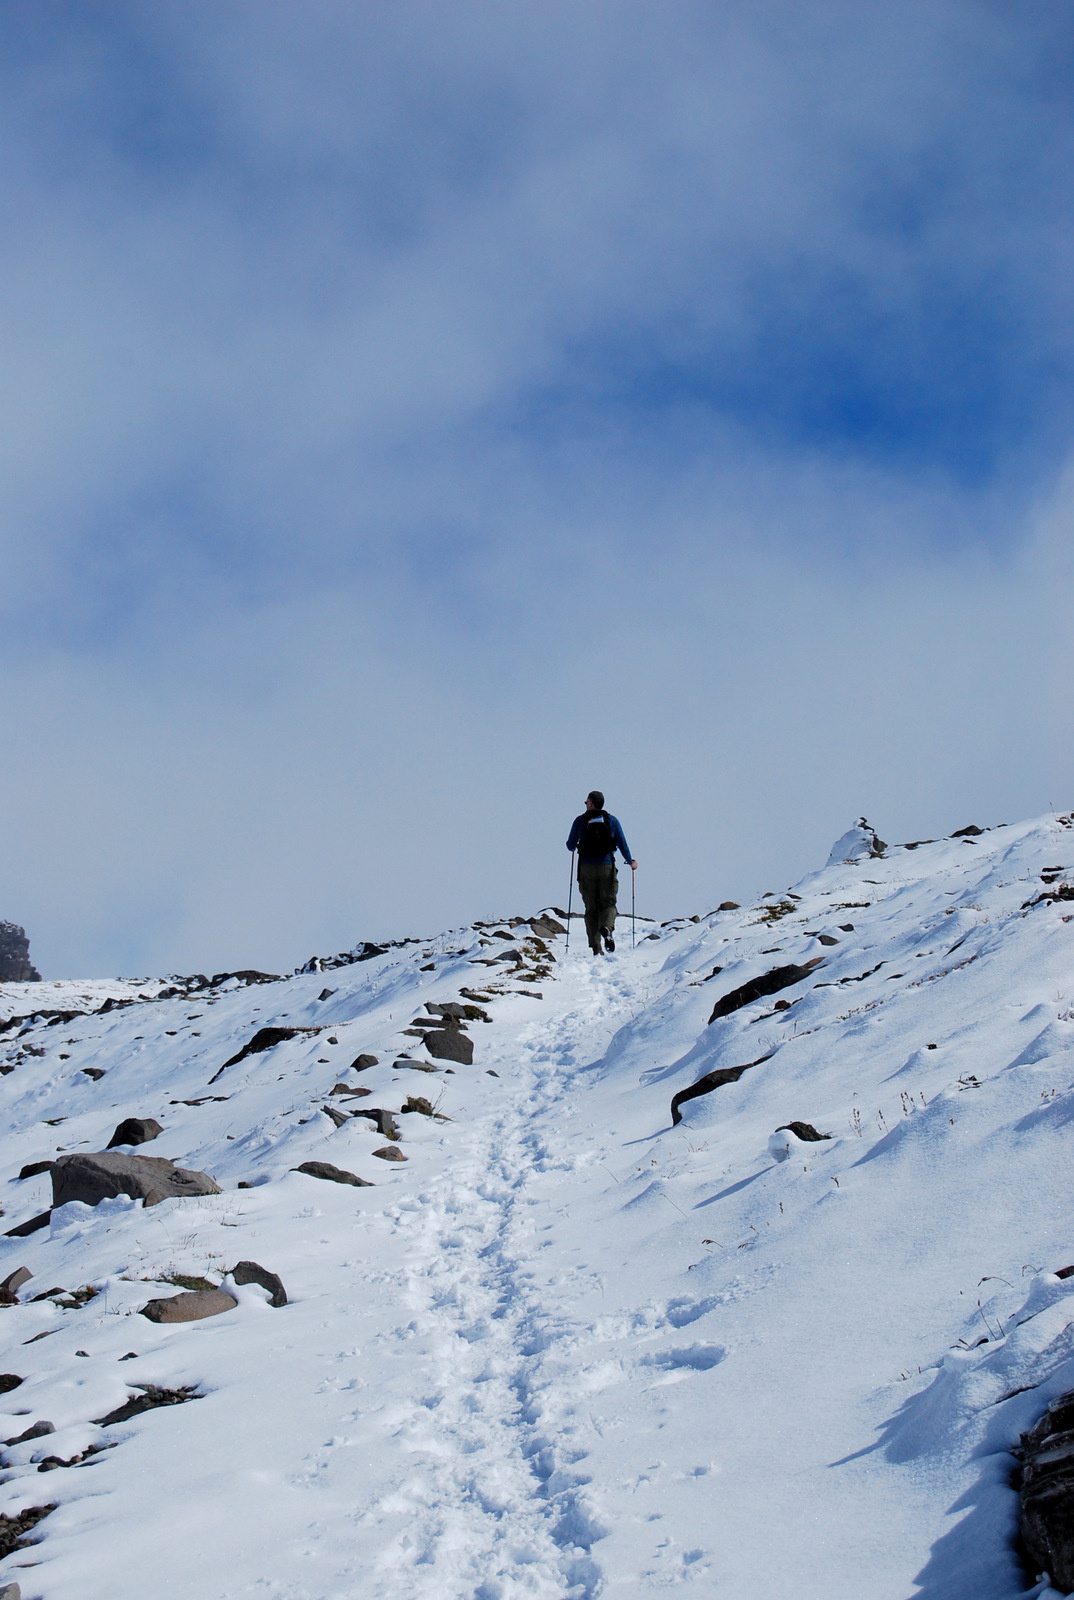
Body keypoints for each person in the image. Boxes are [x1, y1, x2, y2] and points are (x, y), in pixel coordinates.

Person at [566, 790, 637, 955]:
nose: (585, 804)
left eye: (586, 802)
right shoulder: (611, 820)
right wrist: (631, 861)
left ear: (591, 803)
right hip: (607, 866)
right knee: (608, 904)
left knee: (591, 908)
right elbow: (622, 844)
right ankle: (607, 927)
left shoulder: (580, 821)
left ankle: (596, 948)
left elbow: (570, 845)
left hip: (585, 868)